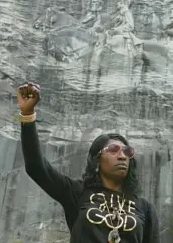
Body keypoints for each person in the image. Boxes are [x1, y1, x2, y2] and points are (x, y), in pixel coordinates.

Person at [17, 82, 160, 243]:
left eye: (127, 152)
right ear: (97, 160)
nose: (122, 156)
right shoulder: (77, 192)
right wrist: (28, 114)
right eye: (114, 150)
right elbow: (37, 167)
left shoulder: (144, 207)